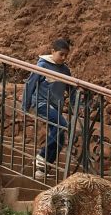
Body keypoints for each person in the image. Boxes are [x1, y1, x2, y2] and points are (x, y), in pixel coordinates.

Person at [23, 38, 76, 179]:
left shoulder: (65, 70)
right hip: (40, 103)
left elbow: (72, 89)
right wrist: (25, 105)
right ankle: (41, 156)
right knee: (62, 125)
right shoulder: (42, 65)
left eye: (66, 55)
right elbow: (30, 84)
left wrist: (75, 104)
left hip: (55, 106)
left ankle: (42, 170)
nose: (64, 58)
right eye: (61, 54)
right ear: (52, 51)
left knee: (59, 138)